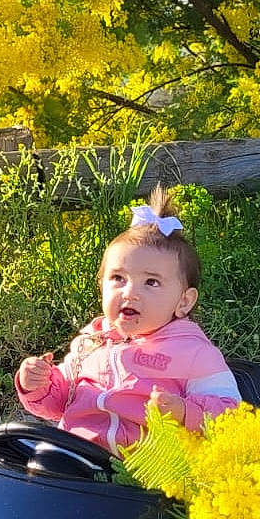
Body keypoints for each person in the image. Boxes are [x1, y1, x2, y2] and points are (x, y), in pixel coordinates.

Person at [16, 187, 241, 454]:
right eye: (118, 279)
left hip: (147, 472)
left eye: (151, 282)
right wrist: (39, 384)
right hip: (78, 458)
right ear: (101, 286)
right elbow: (58, 405)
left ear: (183, 302)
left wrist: (184, 411)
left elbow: (231, 414)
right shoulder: (91, 342)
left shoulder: (194, 354)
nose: (130, 292)